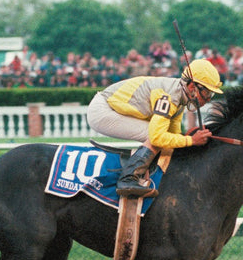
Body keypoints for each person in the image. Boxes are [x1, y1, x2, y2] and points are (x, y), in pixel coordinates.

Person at [87, 59, 222, 197]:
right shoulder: (169, 96)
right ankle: (127, 179)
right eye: (207, 93)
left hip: (110, 107)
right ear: (193, 86)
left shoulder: (180, 98)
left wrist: (190, 138)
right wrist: (191, 141)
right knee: (156, 136)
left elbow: (174, 135)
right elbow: (157, 138)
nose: (208, 99)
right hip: (102, 111)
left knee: (165, 137)